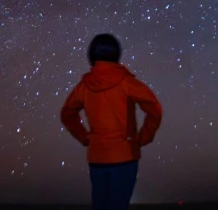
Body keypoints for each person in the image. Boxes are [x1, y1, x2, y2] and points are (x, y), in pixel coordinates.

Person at [60, 34, 163, 210]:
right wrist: (143, 138)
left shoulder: (84, 86)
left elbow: (67, 114)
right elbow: (154, 109)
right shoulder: (126, 82)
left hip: (97, 157)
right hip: (124, 155)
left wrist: (84, 137)